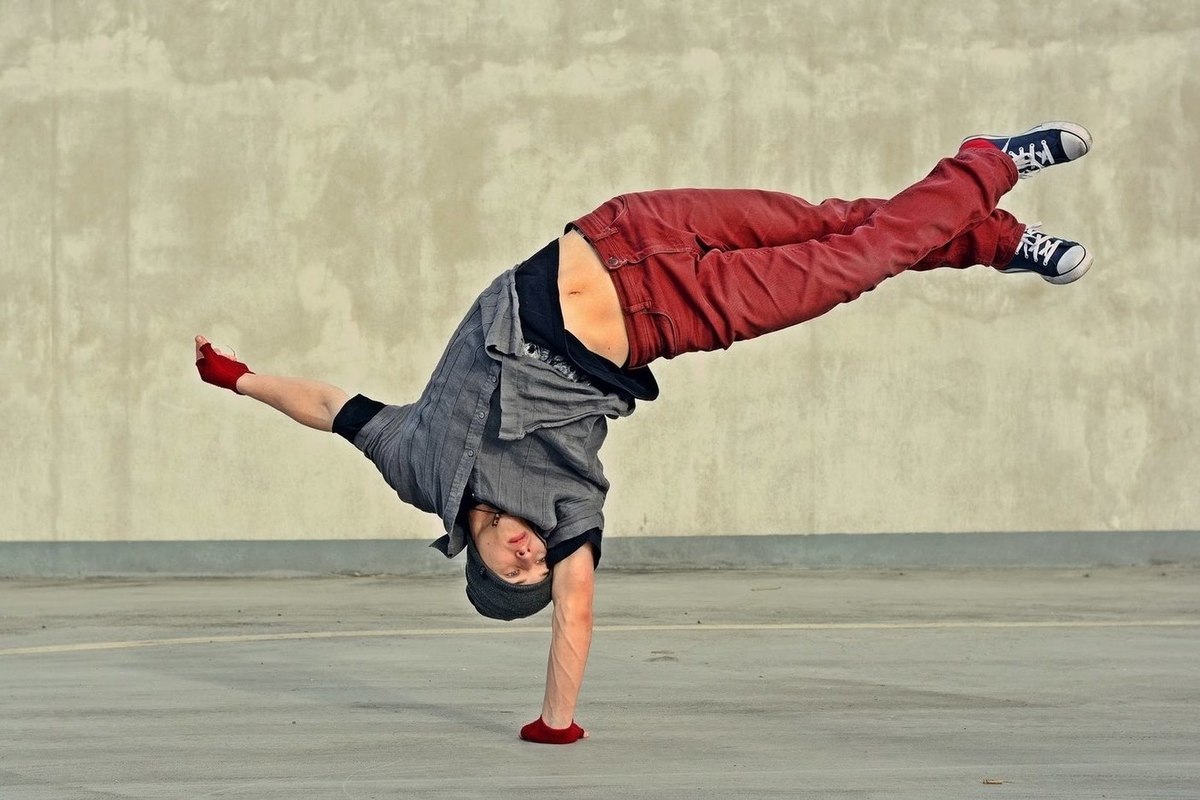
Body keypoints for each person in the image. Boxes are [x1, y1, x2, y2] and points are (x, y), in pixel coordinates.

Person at [195, 122, 1093, 744]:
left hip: (619, 231)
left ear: (480, 565)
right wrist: (557, 722)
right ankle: (988, 166)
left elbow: (328, 408)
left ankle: (991, 241)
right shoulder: (568, 509)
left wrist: (238, 378)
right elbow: (575, 619)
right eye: (535, 564)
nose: (528, 552)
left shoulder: (418, 467)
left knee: (836, 221)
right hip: (677, 313)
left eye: (515, 567)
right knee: (851, 262)